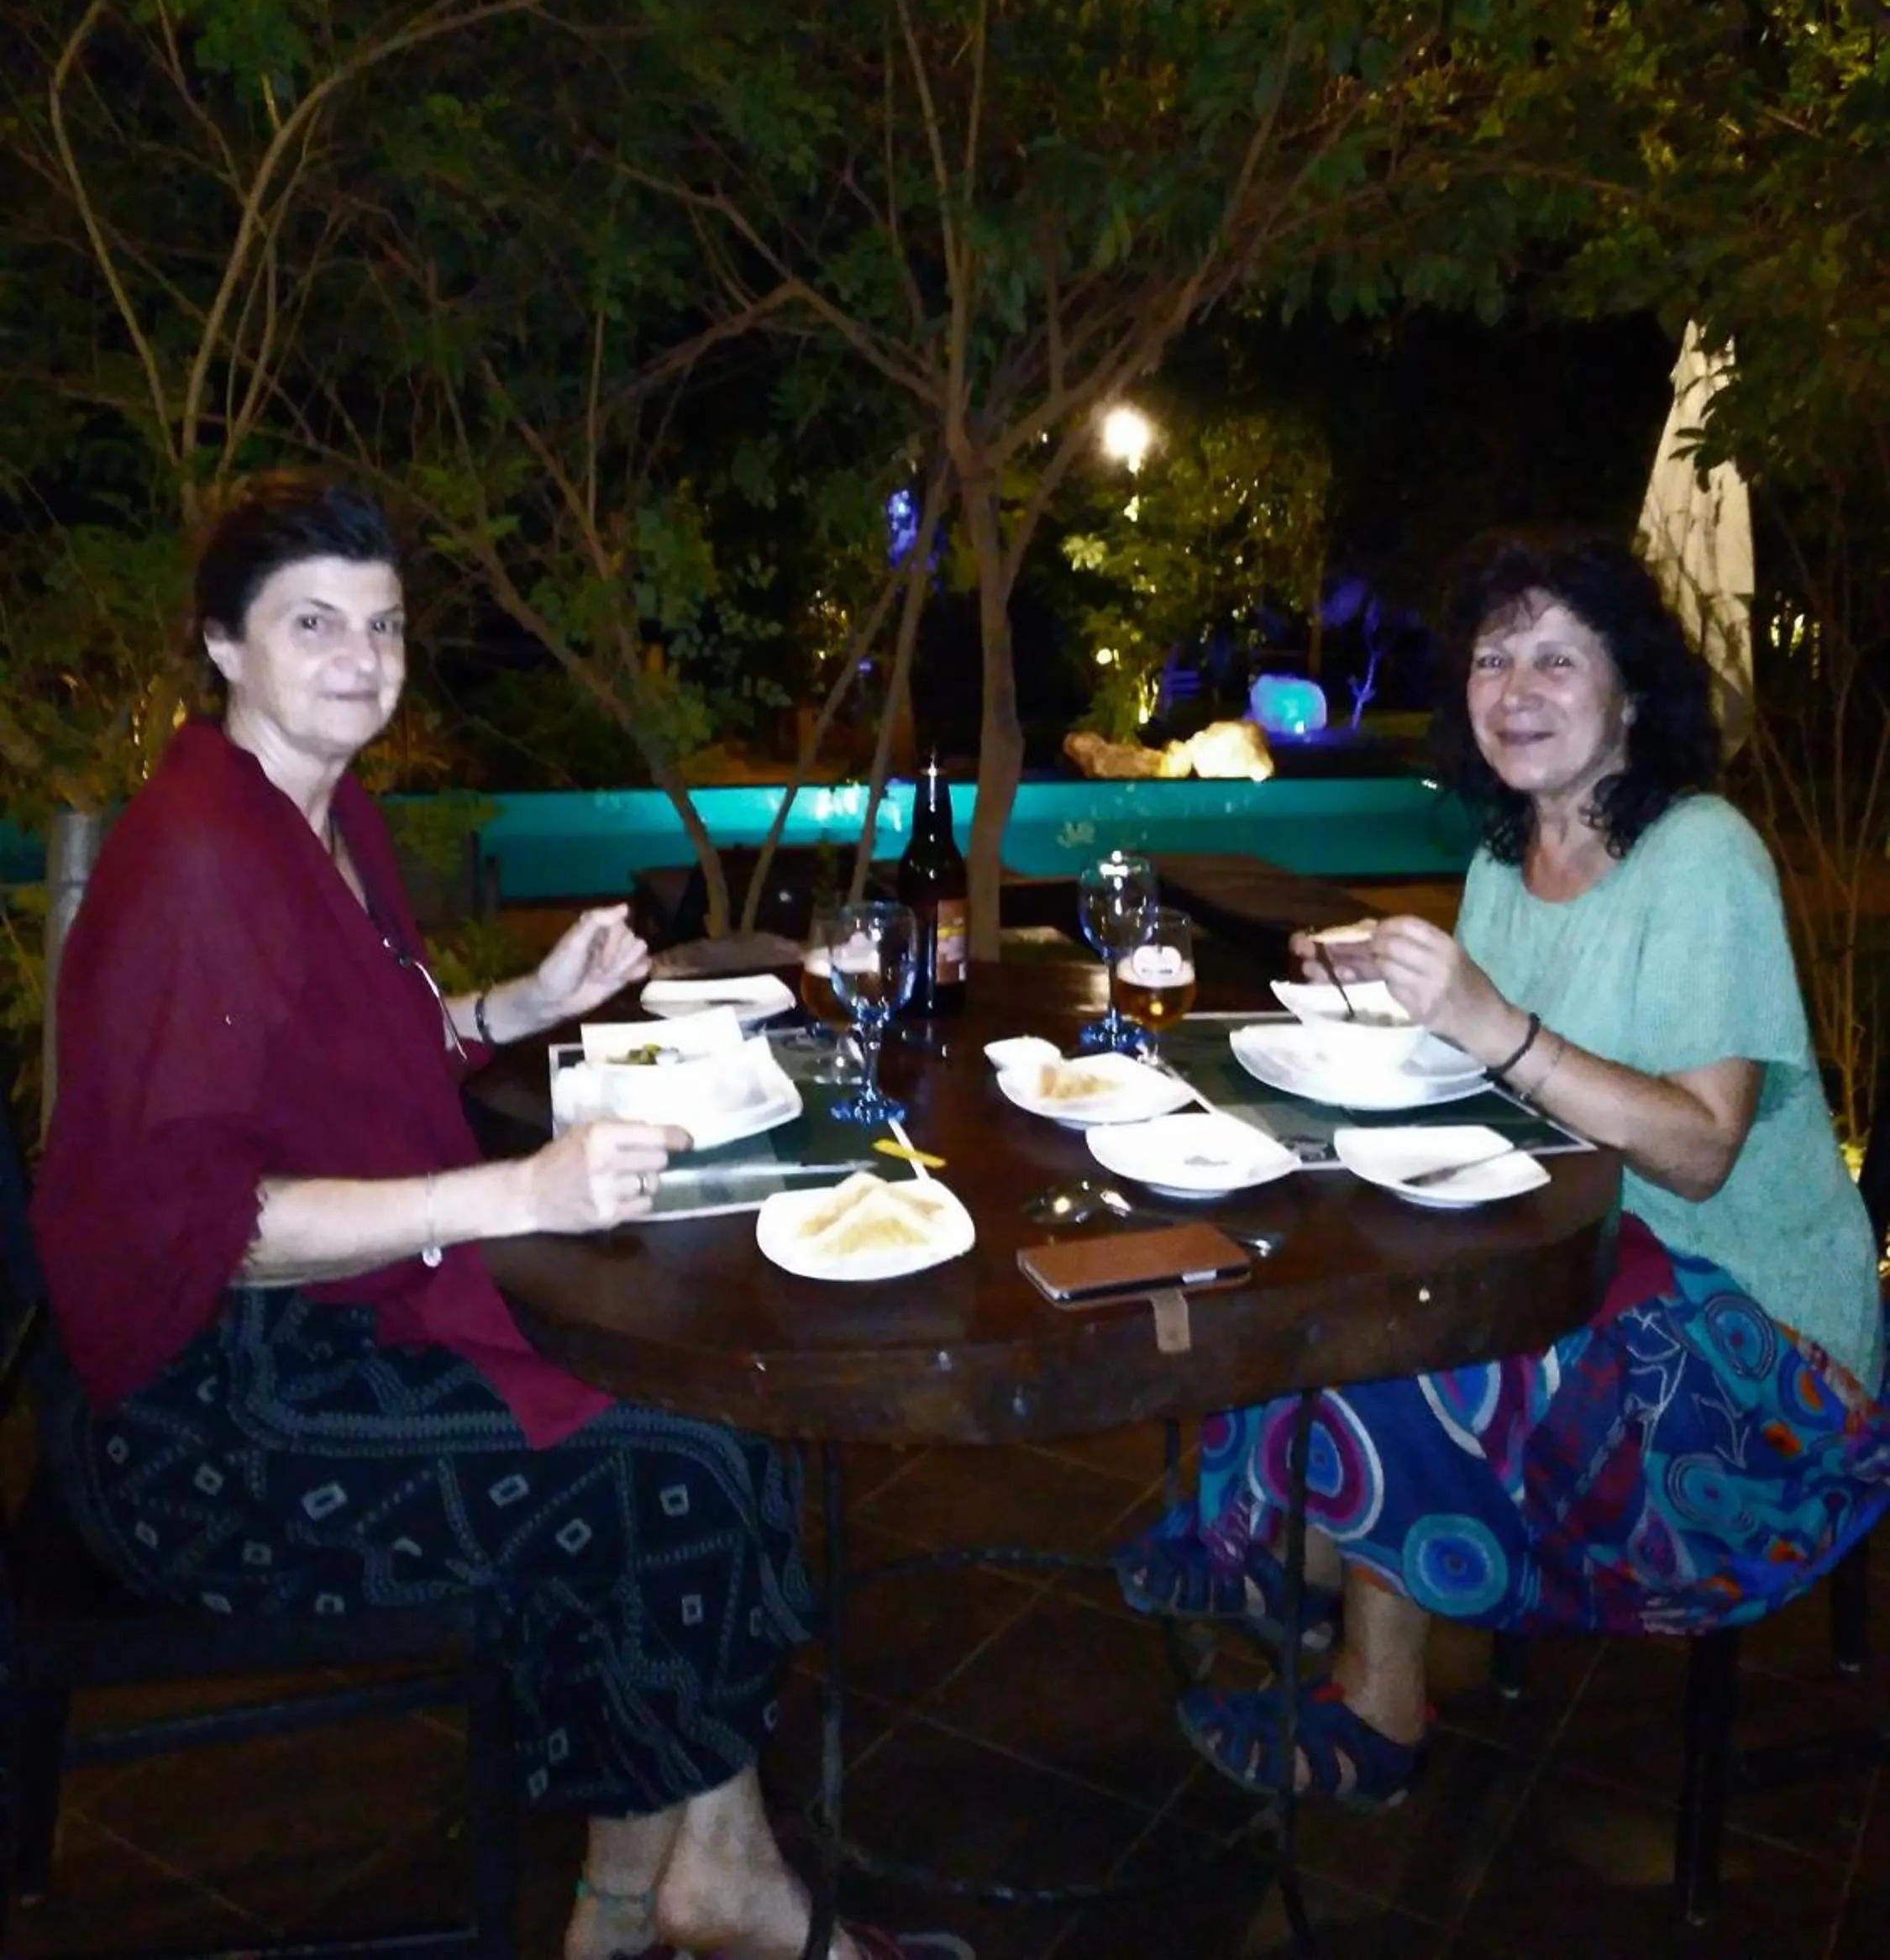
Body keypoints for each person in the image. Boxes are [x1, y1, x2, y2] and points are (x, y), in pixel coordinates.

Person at [32, 475, 967, 1960]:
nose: (362, 659)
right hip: (209, 1420)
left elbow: (341, 1056)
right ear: (222, 645)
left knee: (710, 1429)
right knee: (679, 1461)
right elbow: (197, 1227)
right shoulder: (200, 856)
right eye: (315, 624)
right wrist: (515, 1191)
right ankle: (671, 1896)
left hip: (326, 1329)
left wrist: (515, 1007)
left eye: (385, 625)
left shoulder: (319, 821)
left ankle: (680, 1882)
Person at [1114, 533, 1890, 1810]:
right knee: (1323, 1258)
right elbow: (1484, 1092)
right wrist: (1380, 1010)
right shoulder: (1497, 856)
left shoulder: (1700, 858)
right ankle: (1278, 1543)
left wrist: (1490, 1025)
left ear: (1628, 691)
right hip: (1580, 1254)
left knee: (1412, 1338)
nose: (1514, 688)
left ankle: (1366, 1686)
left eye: (1554, 657)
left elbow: (1695, 1152)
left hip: (1753, 1350)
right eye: (1490, 659)